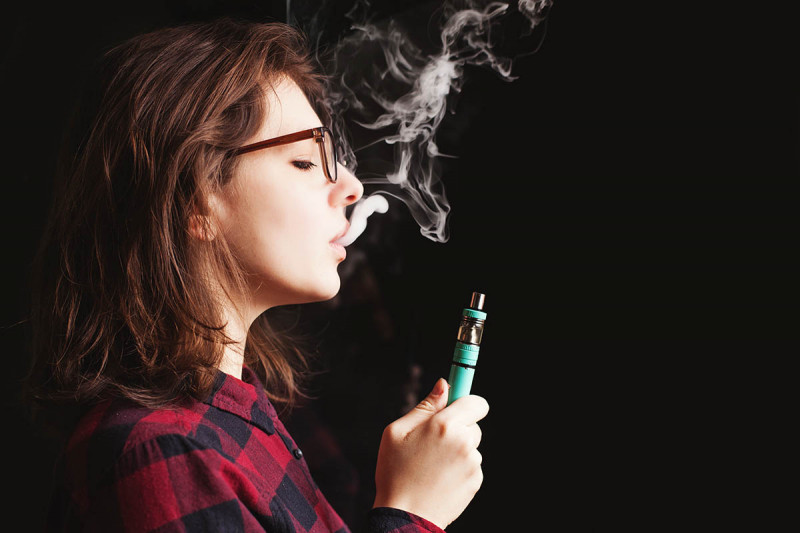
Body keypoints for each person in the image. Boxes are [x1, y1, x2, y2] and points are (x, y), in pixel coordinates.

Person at [25, 18, 489, 533]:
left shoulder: (243, 422)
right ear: (193, 200)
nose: (353, 186)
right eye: (304, 163)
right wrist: (412, 511)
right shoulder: (158, 451)